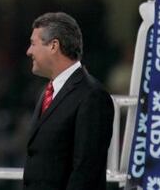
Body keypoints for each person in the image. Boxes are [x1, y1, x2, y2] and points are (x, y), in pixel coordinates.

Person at [23, 12, 114, 190]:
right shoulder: (46, 92)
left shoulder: (92, 95)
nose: (28, 51)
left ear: (53, 46)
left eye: (33, 44)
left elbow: (86, 172)